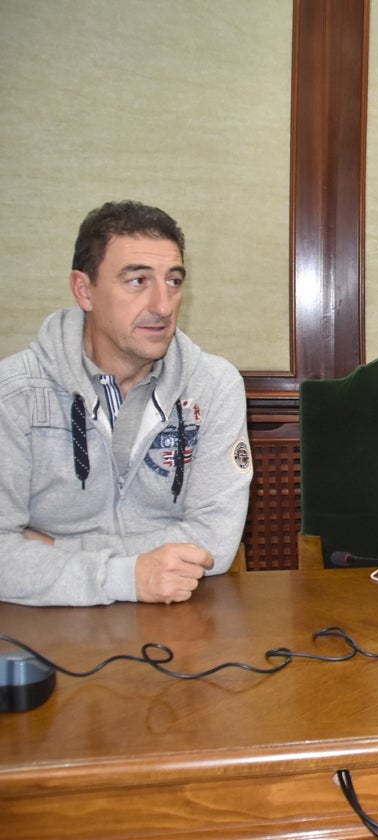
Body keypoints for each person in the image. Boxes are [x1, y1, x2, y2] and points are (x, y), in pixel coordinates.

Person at [0, 201, 253, 607]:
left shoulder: (213, 385)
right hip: (47, 630)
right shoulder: (14, 393)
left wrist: (52, 548)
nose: (163, 305)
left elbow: (214, 543)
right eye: (137, 281)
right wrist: (122, 576)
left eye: (173, 281)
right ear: (84, 290)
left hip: (180, 628)